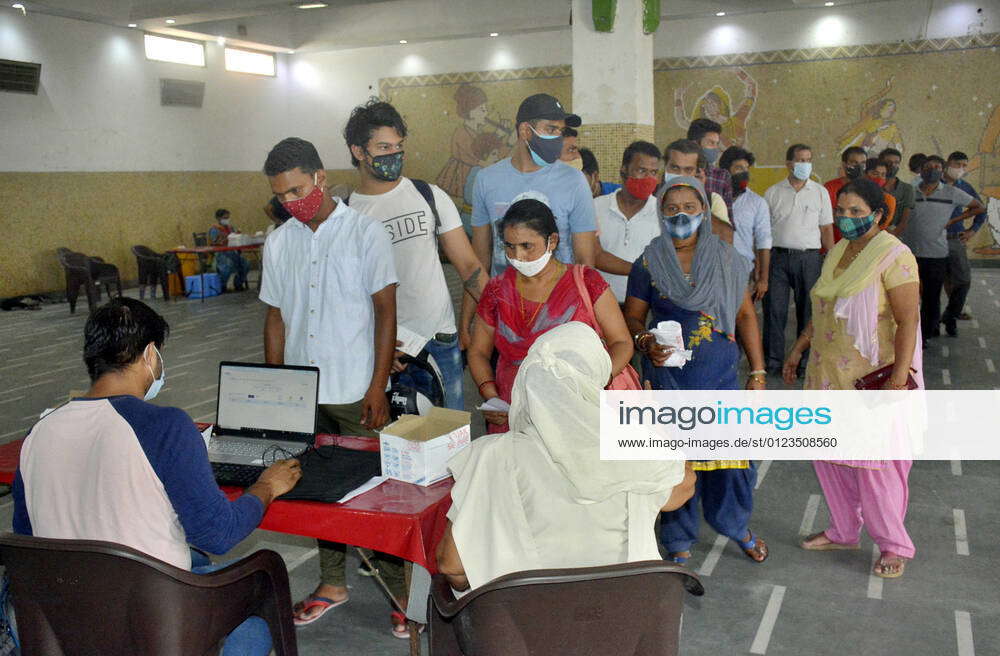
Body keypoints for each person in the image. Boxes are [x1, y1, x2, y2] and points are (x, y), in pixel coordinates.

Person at [12, 298, 302, 655]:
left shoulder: (38, 433)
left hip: (68, 613)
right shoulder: (165, 426)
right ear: (150, 354)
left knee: (196, 560)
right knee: (257, 612)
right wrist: (266, 486)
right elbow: (218, 533)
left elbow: (28, 541)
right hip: (155, 617)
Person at [436, 322, 696, 592]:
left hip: (525, 623)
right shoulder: (630, 448)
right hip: (621, 618)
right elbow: (682, 487)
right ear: (595, 382)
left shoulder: (491, 455)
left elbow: (452, 567)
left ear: (527, 381)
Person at [259, 137, 400, 631]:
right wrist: (277, 390)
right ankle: (333, 581)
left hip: (354, 390)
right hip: (303, 395)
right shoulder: (280, 241)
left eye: (297, 190)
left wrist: (377, 386)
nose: (292, 203)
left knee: (374, 498)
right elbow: (275, 317)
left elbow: (386, 312)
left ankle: (401, 594)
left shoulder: (365, 233)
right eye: (282, 197)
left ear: (320, 177)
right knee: (316, 494)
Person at [623, 176, 768, 565]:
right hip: (670, 381)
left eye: (689, 206)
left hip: (720, 379)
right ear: (660, 214)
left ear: (704, 210)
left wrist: (757, 372)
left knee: (732, 468)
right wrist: (643, 342)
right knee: (675, 464)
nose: (680, 215)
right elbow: (634, 317)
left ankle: (737, 526)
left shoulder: (726, 259)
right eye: (671, 208)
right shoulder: (649, 262)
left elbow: (744, 315)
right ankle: (678, 539)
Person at [782, 178, 921, 579]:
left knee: (873, 464)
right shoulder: (839, 251)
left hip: (871, 378)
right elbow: (825, 306)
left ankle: (893, 544)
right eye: (841, 211)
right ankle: (844, 530)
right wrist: (800, 346)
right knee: (829, 457)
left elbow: (908, 319)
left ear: (878, 214)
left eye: (856, 212)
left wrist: (897, 382)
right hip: (828, 372)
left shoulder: (895, 255)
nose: (846, 219)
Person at [342, 99, 486, 406]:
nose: (394, 154)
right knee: (398, 447)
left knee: (452, 440)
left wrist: (503, 319)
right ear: (358, 151)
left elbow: (470, 267)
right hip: (386, 349)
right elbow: (346, 293)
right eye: (383, 147)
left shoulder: (428, 195)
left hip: (440, 341)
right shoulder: (348, 215)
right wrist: (374, 347)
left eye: (398, 145)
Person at [469, 199, 632, 434]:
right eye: (509, 246)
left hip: (579, 407)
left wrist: (593, 383)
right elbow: (478, 352)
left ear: (552, 241)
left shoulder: (585, 282)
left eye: (527, 246)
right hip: (516, 409)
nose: (518, 256)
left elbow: (622, 342)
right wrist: (491, 396)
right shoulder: (497, 291)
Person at [470, 93, 598, 277]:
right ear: (525, 131)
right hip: (505, 299)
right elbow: (480, 258)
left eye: (560, 131)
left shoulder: (574, 181)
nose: (558, 138)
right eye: (551, 129)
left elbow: (585, 261)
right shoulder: (486, 180)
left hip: (558, 299)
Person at [897, 155, 985, 344]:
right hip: (909, 253)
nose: (933, 170)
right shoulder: (910, 191)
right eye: (929, 167)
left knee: (931, 295)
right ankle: (913, 330)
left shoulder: (952, 192)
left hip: (936, 253)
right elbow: (902, 218)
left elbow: (978, 207)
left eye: (937, 167)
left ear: (942, 170)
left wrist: (953, 221)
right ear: (922, 170)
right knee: (908, 296)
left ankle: (927, 333)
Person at [762, 143, 834, 374]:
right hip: (778, 259)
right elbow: (763, 232)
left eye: (808, 160)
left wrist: (831, 263)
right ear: (789, 163)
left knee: (809, 312)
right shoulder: (773, 192)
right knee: (775, 311)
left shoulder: (820, 192)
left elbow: (826, 230)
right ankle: (772, 362)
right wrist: (760, 268)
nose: (804, 164)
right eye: (800, 160)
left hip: (809, 259)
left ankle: (804, 362)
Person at [593, 141, 662, 304]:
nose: (649, 179)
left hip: (645, 307)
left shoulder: (663, 212)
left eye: (653, 172)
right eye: (641, 170)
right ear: (624, 170)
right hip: (600, 304)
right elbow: (594, 255)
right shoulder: (596, 206)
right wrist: (643, 271)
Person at [941, 150, 988, 333]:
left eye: (963, 166)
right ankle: (935, 323)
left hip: (955, 238)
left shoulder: (965, 187)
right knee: (937, 281)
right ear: (948, 163)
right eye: (957, 165)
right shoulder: (933, 185)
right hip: (932, 241)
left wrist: (972, 230)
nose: (960, 169)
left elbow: (981, 209)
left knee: (962, 280)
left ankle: (951, 314)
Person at [720, 145, 772, 302]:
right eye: (738, 168)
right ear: (725, 170)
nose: (744, 172)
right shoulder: (712, 197)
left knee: (741, 320)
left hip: (743, 272)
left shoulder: (757, 202)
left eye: (746, 168)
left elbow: (764, 241)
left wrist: (763, 279)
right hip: (713, 270)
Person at [663, 139, 734, 243]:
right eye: (674, 168)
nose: (680, 174)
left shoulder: (713, 200)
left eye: (688, 170)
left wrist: (699, 197)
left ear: (697, 172)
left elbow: (725, 239)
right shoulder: (652, 196)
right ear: (665, 166)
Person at [686, 117, 734, 220]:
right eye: (711, 143)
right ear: (695, 144)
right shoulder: (676, 172)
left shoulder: (722, 176)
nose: (716, 148)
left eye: (717, 144)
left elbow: (728, 219)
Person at [209, 209, 251, 291]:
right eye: (225, 218)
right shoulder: (214, 229)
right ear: (218, 218)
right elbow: (214, 243)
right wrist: (224, 239)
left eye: (228, 218)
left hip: (233, 253)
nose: (227, 220)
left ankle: (238, 283)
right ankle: (222, 286)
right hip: (221, 253)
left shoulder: (230, 228)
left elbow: (235, 238)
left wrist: (238, 236)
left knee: (246, 263)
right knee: (228, 265)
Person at [878, 148, 915, 236]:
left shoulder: (907, 189)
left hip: (894, 234)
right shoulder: (872, 185)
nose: (892, 165)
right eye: (888, 162)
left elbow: (905, 220)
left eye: (896, 162)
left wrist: (893, 235)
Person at [864, 158, 897, 227]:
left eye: (883, 174)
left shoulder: (889, 200)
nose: (879, 178)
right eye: (875, 173)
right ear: (865, 174)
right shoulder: (854, 195)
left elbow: (882, 225)